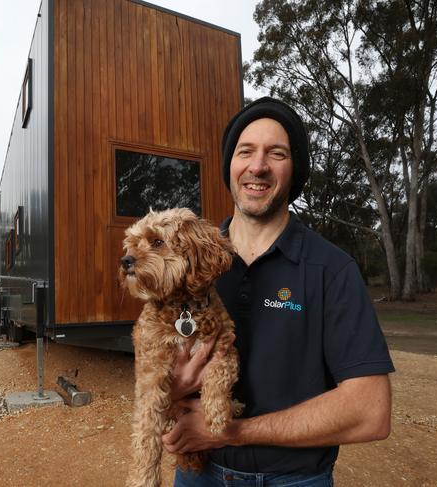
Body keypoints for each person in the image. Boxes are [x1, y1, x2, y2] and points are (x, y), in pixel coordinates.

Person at [162, 97, 395, 486]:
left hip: (294, 480)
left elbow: (370, 411)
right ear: (230, 165)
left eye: (277, 153)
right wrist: (175, 386)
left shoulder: (332, 271)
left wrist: (230, 431)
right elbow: (154, 367)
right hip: (197, 475)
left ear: (294, 170)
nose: (258, 166)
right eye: (246, 151)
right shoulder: (187, 263)